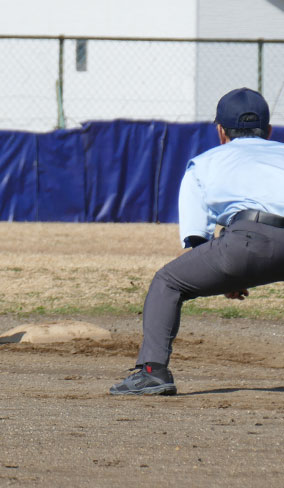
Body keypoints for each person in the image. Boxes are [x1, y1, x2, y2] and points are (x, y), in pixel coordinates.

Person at [110, 87, 284, 395]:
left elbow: (196, 239)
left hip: (246, 241)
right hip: (254, 240)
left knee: (167, 282)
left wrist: (229, 275)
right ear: (269, 131)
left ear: (221, 131)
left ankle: (152, 372)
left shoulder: (204, 163)